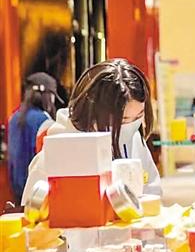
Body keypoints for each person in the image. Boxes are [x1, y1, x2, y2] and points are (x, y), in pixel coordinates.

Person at [22, 58, 161, 203]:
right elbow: (31, 209)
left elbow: (152, 189)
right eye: (123, 120)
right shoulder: (58, 154)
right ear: (94, 113)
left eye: (138, 117)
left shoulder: (134, 139)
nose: (131, 126)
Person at [7, 73, 60, 203]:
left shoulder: (14, 118)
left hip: (15, 190)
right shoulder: (44, 121)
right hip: (37, 192)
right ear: (47, 95)